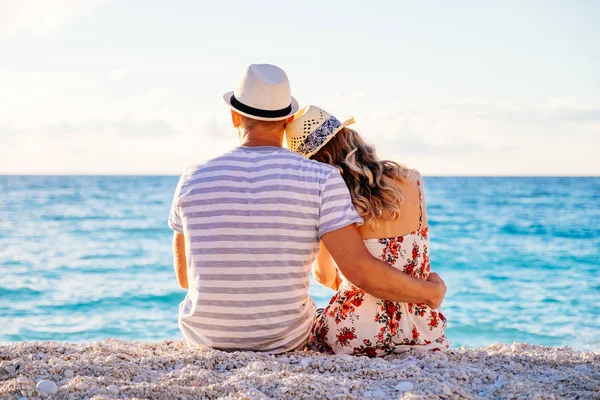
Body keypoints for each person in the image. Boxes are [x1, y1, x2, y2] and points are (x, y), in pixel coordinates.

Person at [168, 64, 447, 354]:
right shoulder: (322, 178)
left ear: (234, 116)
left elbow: (185, 278)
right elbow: (358, 271)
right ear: (288, 120)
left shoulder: (191, 177)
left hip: (204, 338)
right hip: (283, 341)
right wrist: (430, 292)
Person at [286, 105, 450, 356]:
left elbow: (326, 276)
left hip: (359, 331)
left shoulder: (330, 197)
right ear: (349, 137)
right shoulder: (413, 180)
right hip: (422, 328)